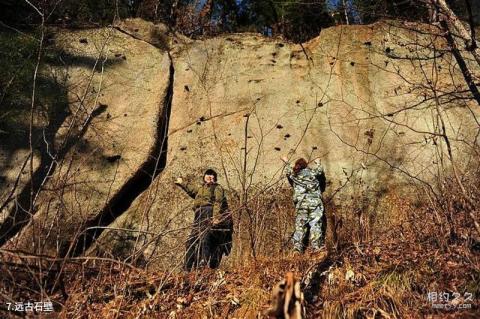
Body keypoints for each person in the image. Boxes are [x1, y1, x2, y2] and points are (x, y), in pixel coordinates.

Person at [175, 169, 232, 271]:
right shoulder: (201, 189)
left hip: (208, 212)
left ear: (214, 178)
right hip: (198, 214)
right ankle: (187, 267)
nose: (209, 177)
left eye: (212, 176)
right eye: (207, 175)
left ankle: (203, 264)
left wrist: (215, 217)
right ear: (204, 177)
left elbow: (218, 202)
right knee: (191, 240)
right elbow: (191, 190)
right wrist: (181, 183)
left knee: (204, 238)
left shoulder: (217, 188)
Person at [281, 156, 326, 253]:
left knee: (300, 227)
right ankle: (317, 248)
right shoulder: (313, 173)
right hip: (315, 204)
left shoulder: (294, 175)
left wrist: (286, 161)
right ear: (305, 166)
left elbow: (288, 171)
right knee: (315, 225)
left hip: (301, 204)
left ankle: (297, 250)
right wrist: (318, 162)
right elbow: (320, 170)